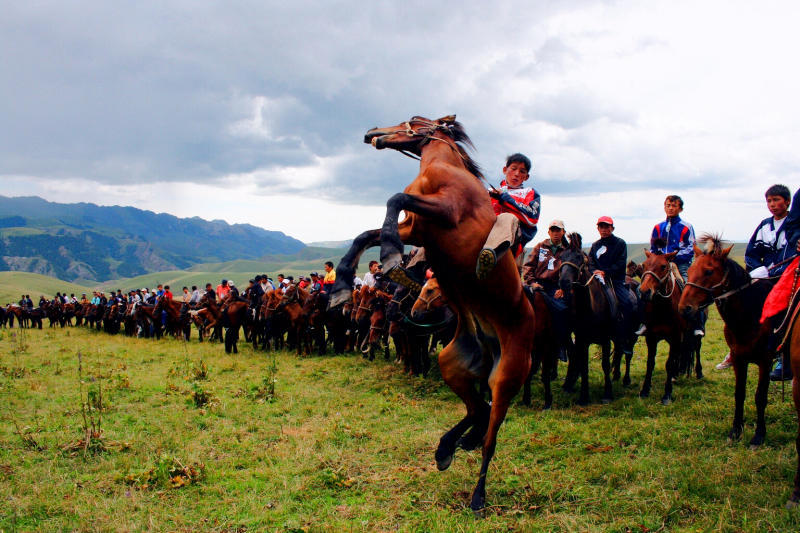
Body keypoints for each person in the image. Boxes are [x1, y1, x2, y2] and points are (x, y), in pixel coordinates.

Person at [730, 184, 793, 377]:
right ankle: (739, 346)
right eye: (769, 201)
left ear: (788, 202)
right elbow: (751, 252)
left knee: (786, 310)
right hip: (764, 275)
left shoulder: (794, 224)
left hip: (787, 275)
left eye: (776, 200)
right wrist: (758, 269)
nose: (772, 205)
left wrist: (776, 271)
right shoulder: (765, 225)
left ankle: (784, 358)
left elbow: (791, 253)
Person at [641, 195, 704, 337]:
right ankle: (645, 322)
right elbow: (653, 248)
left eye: (674, 205)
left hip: (679, 264)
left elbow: (690, 248)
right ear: (664, 207)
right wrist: (659, 259)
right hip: (659, 265)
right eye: (668, 205)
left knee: (690, 287)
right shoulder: (658, 227)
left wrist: (673, 258)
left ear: (680, 209)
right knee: (644, 287)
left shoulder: (686, 227)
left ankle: (697, 325)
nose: (670, 208)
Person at [476, 153, 541, 279]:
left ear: (526, 177)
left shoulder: (530, 192)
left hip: (513, 239)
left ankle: (489, 255)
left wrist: (504, 199)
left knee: (507, 217)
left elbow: (532, 219)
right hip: (485, 231)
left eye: (522, 171)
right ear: (505, 170)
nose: (517, 174)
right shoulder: (488, 193)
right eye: (513, 168)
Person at [588, 216, 635, 357]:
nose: (604, 229)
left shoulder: (620, 243)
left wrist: (606, 272)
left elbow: (620, 263)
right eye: (601, 227)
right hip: (597, 280)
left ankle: (626, 337)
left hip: (615, 280)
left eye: (607, 227)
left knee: (627, 303)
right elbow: (590, 261)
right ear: (598, 229)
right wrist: (594, 271)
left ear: (612, 228)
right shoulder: (595, 245)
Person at [522, 220, 568, 297]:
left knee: (562, 307)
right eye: (552, 230)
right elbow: (528, 266)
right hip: (538, 284)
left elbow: (570, 273)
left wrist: (563, 288)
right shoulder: (540, 247)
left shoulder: (567, 251)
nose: (555, 233)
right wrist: (532, 282)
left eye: (558, 230)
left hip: (556, 287)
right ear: (548, 232)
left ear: (563, 232)